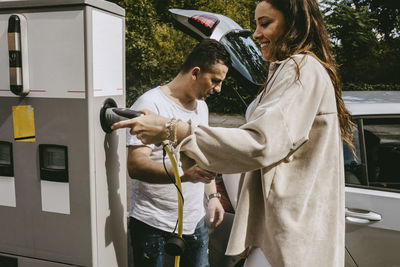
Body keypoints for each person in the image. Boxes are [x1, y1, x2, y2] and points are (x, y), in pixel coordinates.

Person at [114, 0, 355, 266]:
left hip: (288, 234)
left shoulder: (302, 69)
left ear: (293, 24)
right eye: (256, 24)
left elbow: (259, 143)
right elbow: (142, 165)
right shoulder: (288, 70)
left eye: (265, 23)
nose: (255, 34)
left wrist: (172, 129)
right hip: (160, 223)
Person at [126, 39, 231, 267]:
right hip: (153, 224)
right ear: (195, 72)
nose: (218, 89)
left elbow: (202, 158)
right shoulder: (150, 104)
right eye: (215, 80)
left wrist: (212, 197)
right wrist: (183, 176)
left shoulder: (201, 106)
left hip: (195, 222)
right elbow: (135, 165)